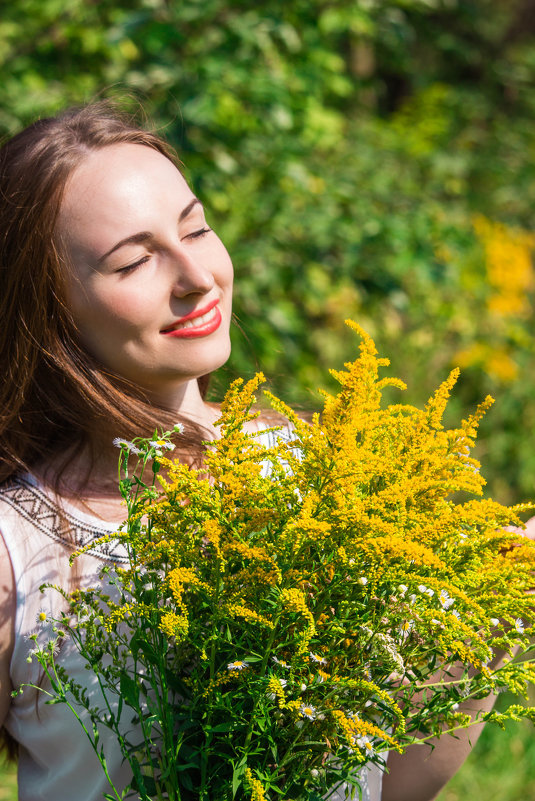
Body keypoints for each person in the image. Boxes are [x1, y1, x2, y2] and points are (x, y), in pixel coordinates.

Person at [0, 103, 492, 801]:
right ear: (47, 309)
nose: (196, 275)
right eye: (135, 260)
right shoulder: (17, 545)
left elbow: (377, 786)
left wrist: (488, 626)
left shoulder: (328, 473)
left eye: (196, 227)